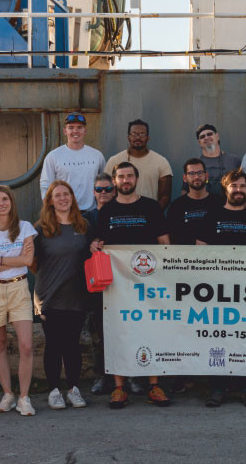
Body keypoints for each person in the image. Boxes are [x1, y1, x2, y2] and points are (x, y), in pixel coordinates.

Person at [90, 162, 171, 409]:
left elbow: (164, 243)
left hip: (149, 284)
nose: (125, 180)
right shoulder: (106, 211)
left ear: (136, 178)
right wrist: (94, 245)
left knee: (151, 329)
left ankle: (154, 385)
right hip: (117, 285)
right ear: (115, 181)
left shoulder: (150, 207)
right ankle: (119, 387)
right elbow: (98, 242)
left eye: (129, 176)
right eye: (121, 176)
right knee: (118, 332)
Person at [196, 169, 246, 407]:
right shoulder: (211, 217)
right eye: (234, 186)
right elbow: (200, 250)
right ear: (226, 189)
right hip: (218, 290)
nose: (238, 190)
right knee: (218, 339)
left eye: (242, 187)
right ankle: (218, 388)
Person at [31, 180, 94, 411]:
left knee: (72, 345)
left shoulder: (84, 225)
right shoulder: (41, 228)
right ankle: (54, 390)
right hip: (50, 295)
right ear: (50, 200)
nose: (62, 198)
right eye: (57, 195)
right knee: (54, 345)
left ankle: (74, 389)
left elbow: (91, 252)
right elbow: (32, 262)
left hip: (76, 294)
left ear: (72, 197)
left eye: (66, 194)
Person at [0, 185, 38, 416]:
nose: (1, 203)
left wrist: (0, 258)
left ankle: (24, 397)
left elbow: (29, 259)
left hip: (18, 288)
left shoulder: (25, 228)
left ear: (11, 202)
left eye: (5, 199)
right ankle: (8, 394)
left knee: (26, 345)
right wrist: (16, 258)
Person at [82, 173, 116, 396]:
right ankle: (101, 376)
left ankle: (129, 376)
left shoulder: (123, 214)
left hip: (124, 283)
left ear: (114, 191)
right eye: (99, 189)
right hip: (96, 285)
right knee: (98, 333)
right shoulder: (85, 218)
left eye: (107, 189)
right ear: (93, 192)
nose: (103, 193)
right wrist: (89, 243)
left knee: (126, 331)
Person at [40, 112, 106, 211]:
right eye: (71, 127)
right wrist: (51, 210)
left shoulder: (97, 156)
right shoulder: (53, 156)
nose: (75, 131)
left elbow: (105, 184)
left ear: (85, 131)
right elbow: (46, 186)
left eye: (79, 127)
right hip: (65, 213)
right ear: (65, 131)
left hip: (92, 213)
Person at [105, 119, 173, 210]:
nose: (138, 138)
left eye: (142, 134)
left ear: (148, 138)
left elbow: (165, 196)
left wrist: (153, 215)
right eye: (134, 134)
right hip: (121, 216)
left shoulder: (161, 162)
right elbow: (106, 190)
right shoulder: (114, 161)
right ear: (128, 137)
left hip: (149, 216)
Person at [167, 158, 223, 245]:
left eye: (200, 173)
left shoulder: (219, 203)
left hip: (215, 255)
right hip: (186, 256)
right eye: (192, 173)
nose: (196, 177)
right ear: (185, 178)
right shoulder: (176, 206)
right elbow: (173, 236)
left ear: (206, 176)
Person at [181, 124, 242, 197]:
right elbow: (185, 191)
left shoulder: (234, 161)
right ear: (199, 142)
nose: (206, 137)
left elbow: (243, 187)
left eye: (209, 134)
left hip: (230, 206)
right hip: (204, 207)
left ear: (217, 136)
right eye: (202, 137)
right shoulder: (194, 165)